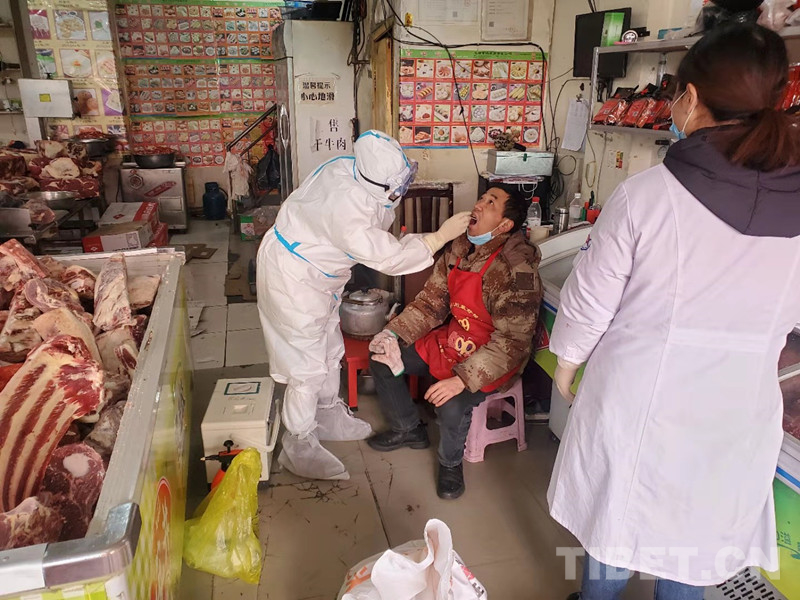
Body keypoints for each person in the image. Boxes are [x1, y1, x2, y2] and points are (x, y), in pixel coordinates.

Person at [547, 24, 800, 600]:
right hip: (736, 411)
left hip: (639, 399)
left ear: (689, 98)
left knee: (616, 524)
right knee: (693, 540)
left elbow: (591, 298)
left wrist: (568, 364)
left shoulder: (648, 195)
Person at [257, 130, 470, 481]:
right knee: (305, 365)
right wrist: (438, 238)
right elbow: (388, 257)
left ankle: (327, 414)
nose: (402, 190)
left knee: (329, 346)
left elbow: (378, 213)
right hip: (294, 278)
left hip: (318, 273)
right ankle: (298, 441)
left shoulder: (351, 168)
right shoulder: (346, 213)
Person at [366, 185, 542, 499]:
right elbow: (431, 303)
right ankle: (408, 428)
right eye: (482, 197)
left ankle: (450, 464)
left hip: (493, 358)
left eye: (491, 203)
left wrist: (461, 380)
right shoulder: (460, 248)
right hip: (454, 340)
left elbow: (513, 343)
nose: (479, 204)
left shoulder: (516, 269)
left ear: (504, 225)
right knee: (382, 358)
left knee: (450, 404)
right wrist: (392, 333)